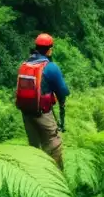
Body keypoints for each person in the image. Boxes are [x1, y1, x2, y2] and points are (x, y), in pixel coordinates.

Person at [17, 34, 69, 168]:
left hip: (26, 113)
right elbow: (63, 91)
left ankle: (37, 173)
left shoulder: (25, 64)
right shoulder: (50, 67)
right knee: (53, 144)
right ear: (49, 50)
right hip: (43, 113)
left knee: (35, 147)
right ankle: (56, 175)